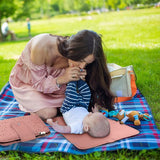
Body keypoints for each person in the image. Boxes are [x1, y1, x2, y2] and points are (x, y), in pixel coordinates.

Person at [9, 29, 115, 121]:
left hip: (54, 88)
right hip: (29, 84)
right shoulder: (41, 47)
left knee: (77, 105)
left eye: (86, 63)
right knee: (49, 113)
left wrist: (79, 79)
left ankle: (45, 105)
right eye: (81, 60)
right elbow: (38, 83)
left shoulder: (74, 58)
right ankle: (28, 105)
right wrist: (63, 79)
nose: (82, 66)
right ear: (74, 50)